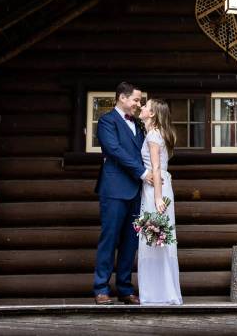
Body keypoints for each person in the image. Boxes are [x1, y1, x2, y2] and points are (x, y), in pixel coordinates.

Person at [93, 82, 153, 305]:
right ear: (122, 98)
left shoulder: (138, 124)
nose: (139, 104)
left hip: (137, 192)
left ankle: (125, 289)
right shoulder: (107, 121)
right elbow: (114, 150)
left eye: (140, 101)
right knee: (109, 239)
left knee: (131, 242)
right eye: (136, 100)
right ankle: (101, 289)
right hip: (114, 189)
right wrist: (143, 172)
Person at [137, 98, 183, 305]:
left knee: (154, 240)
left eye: (145, 106)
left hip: (156, 189)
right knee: (157, 239)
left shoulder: (154, 135)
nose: (142, 107)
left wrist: (156, 198)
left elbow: (155, 168)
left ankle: (157, 293)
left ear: (153, 114)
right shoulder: (155, 134)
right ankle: (161, 291)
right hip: (160, 187)